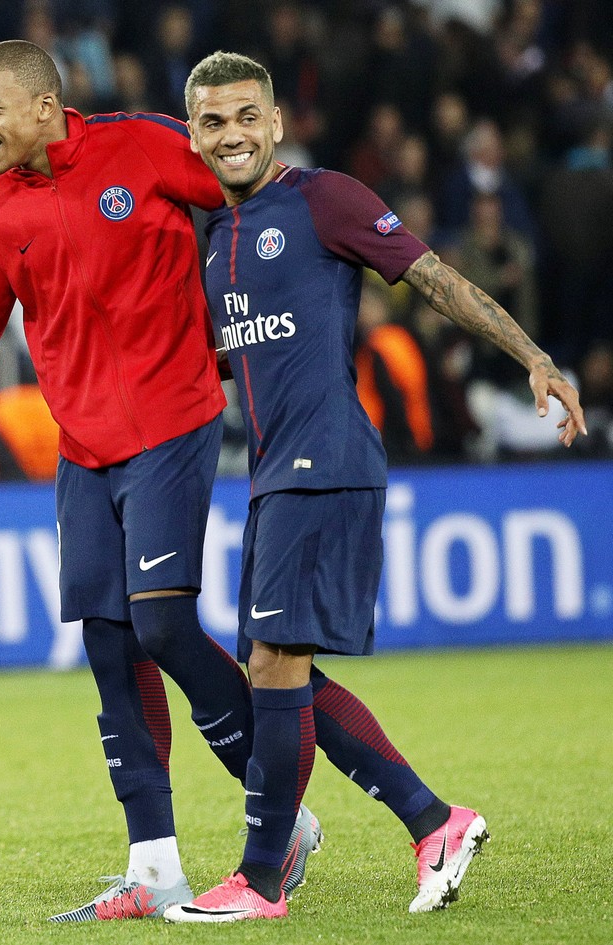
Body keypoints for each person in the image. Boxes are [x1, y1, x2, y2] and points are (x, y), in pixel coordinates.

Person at [0, 39, 318, 922]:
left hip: (174, 420)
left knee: (164, 621)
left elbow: (248, 197)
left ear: (45, 105)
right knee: (107, 641)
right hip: (84, 447)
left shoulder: (143, 144)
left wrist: (276, 301)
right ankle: (154, 867)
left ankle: (278, 812)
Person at [167, 51, 584, 922]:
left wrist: (534, 358)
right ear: (194, 135)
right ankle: (434, 820)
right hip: (274, 475)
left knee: (278, 664)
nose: (232, 134)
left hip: (327, 462)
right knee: (276, 672)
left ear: (276, 122)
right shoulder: (213, 239)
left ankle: (259, 877)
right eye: (212, 121)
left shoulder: (325, 200)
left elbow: (435, 279)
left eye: (248, 115)